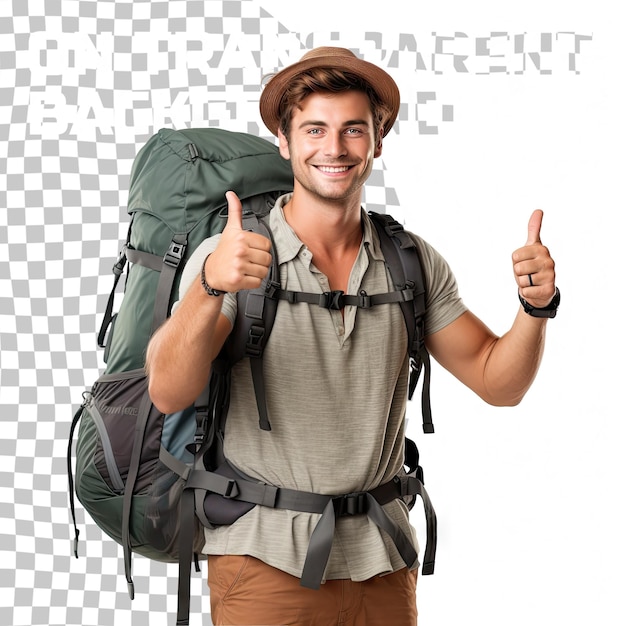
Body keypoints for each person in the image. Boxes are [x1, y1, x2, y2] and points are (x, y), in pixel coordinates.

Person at [145, 47, 558, 626]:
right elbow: (167, 391)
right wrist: (212, 287)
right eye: (314, 129)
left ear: (377, 142)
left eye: (352, 130)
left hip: (382, 559)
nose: (334, 148)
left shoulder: (410, 262)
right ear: (284, 142)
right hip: (261, 558)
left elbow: (498, 381)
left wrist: (535, 308)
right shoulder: (234, 256)